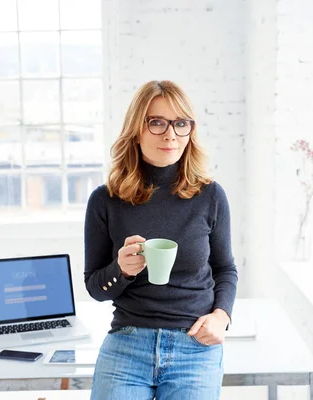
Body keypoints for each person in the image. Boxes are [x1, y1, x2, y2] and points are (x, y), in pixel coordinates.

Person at [84, 80, 238, 400]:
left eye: (180, 123)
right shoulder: (105, 200)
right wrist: (122, 270)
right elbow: (95, 289)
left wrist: (221, 317)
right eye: (157, 122)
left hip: (194, 345)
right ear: (136, 129)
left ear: (189, 132)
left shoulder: (210, 196)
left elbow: (225, 269)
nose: (170, 134)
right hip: (127, 345)